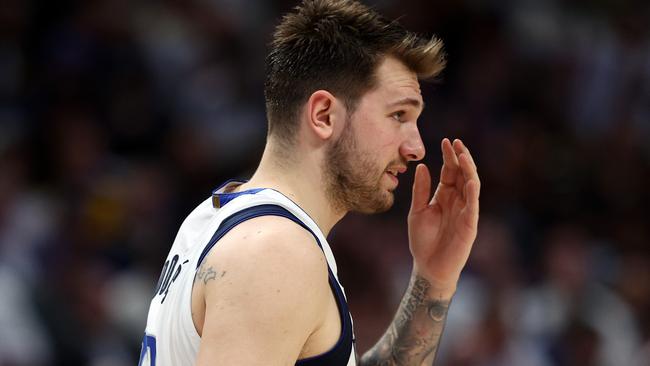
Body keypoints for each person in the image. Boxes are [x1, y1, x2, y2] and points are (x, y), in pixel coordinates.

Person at [139, 0, 480, 365]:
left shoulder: (219, 215)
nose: (415, 148)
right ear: (323, 115)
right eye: (398, 115)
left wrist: (433, 279)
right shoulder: (275, 252)